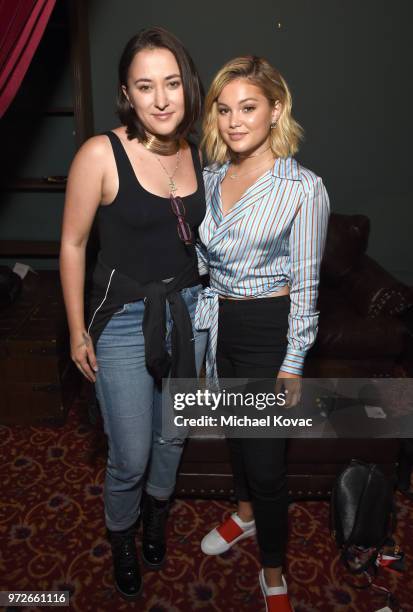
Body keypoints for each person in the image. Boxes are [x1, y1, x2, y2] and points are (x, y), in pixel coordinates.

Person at [59, 27, 207, 600]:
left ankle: (155, 513)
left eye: (172, 83)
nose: (162, 99)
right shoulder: (101, 153)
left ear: (187, 87)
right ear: (127, 92)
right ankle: (121, 532)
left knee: (173, 439)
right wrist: (76, 330)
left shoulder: (198, 152)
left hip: (187, 311)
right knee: (132, 452)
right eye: (146, 87)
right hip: (122, 320)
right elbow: (72, 245)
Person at [195, 56, 330, 611]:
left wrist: (293, 359)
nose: (233, 121)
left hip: (269, 330)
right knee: (236, 435)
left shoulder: (302, 189)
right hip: (220, 322)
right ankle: (245, 516)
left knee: (269, 464)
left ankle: (273, 572)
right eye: (224, 110)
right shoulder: (208, 177)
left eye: (248, 108)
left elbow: (307, 283)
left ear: (276, 109)